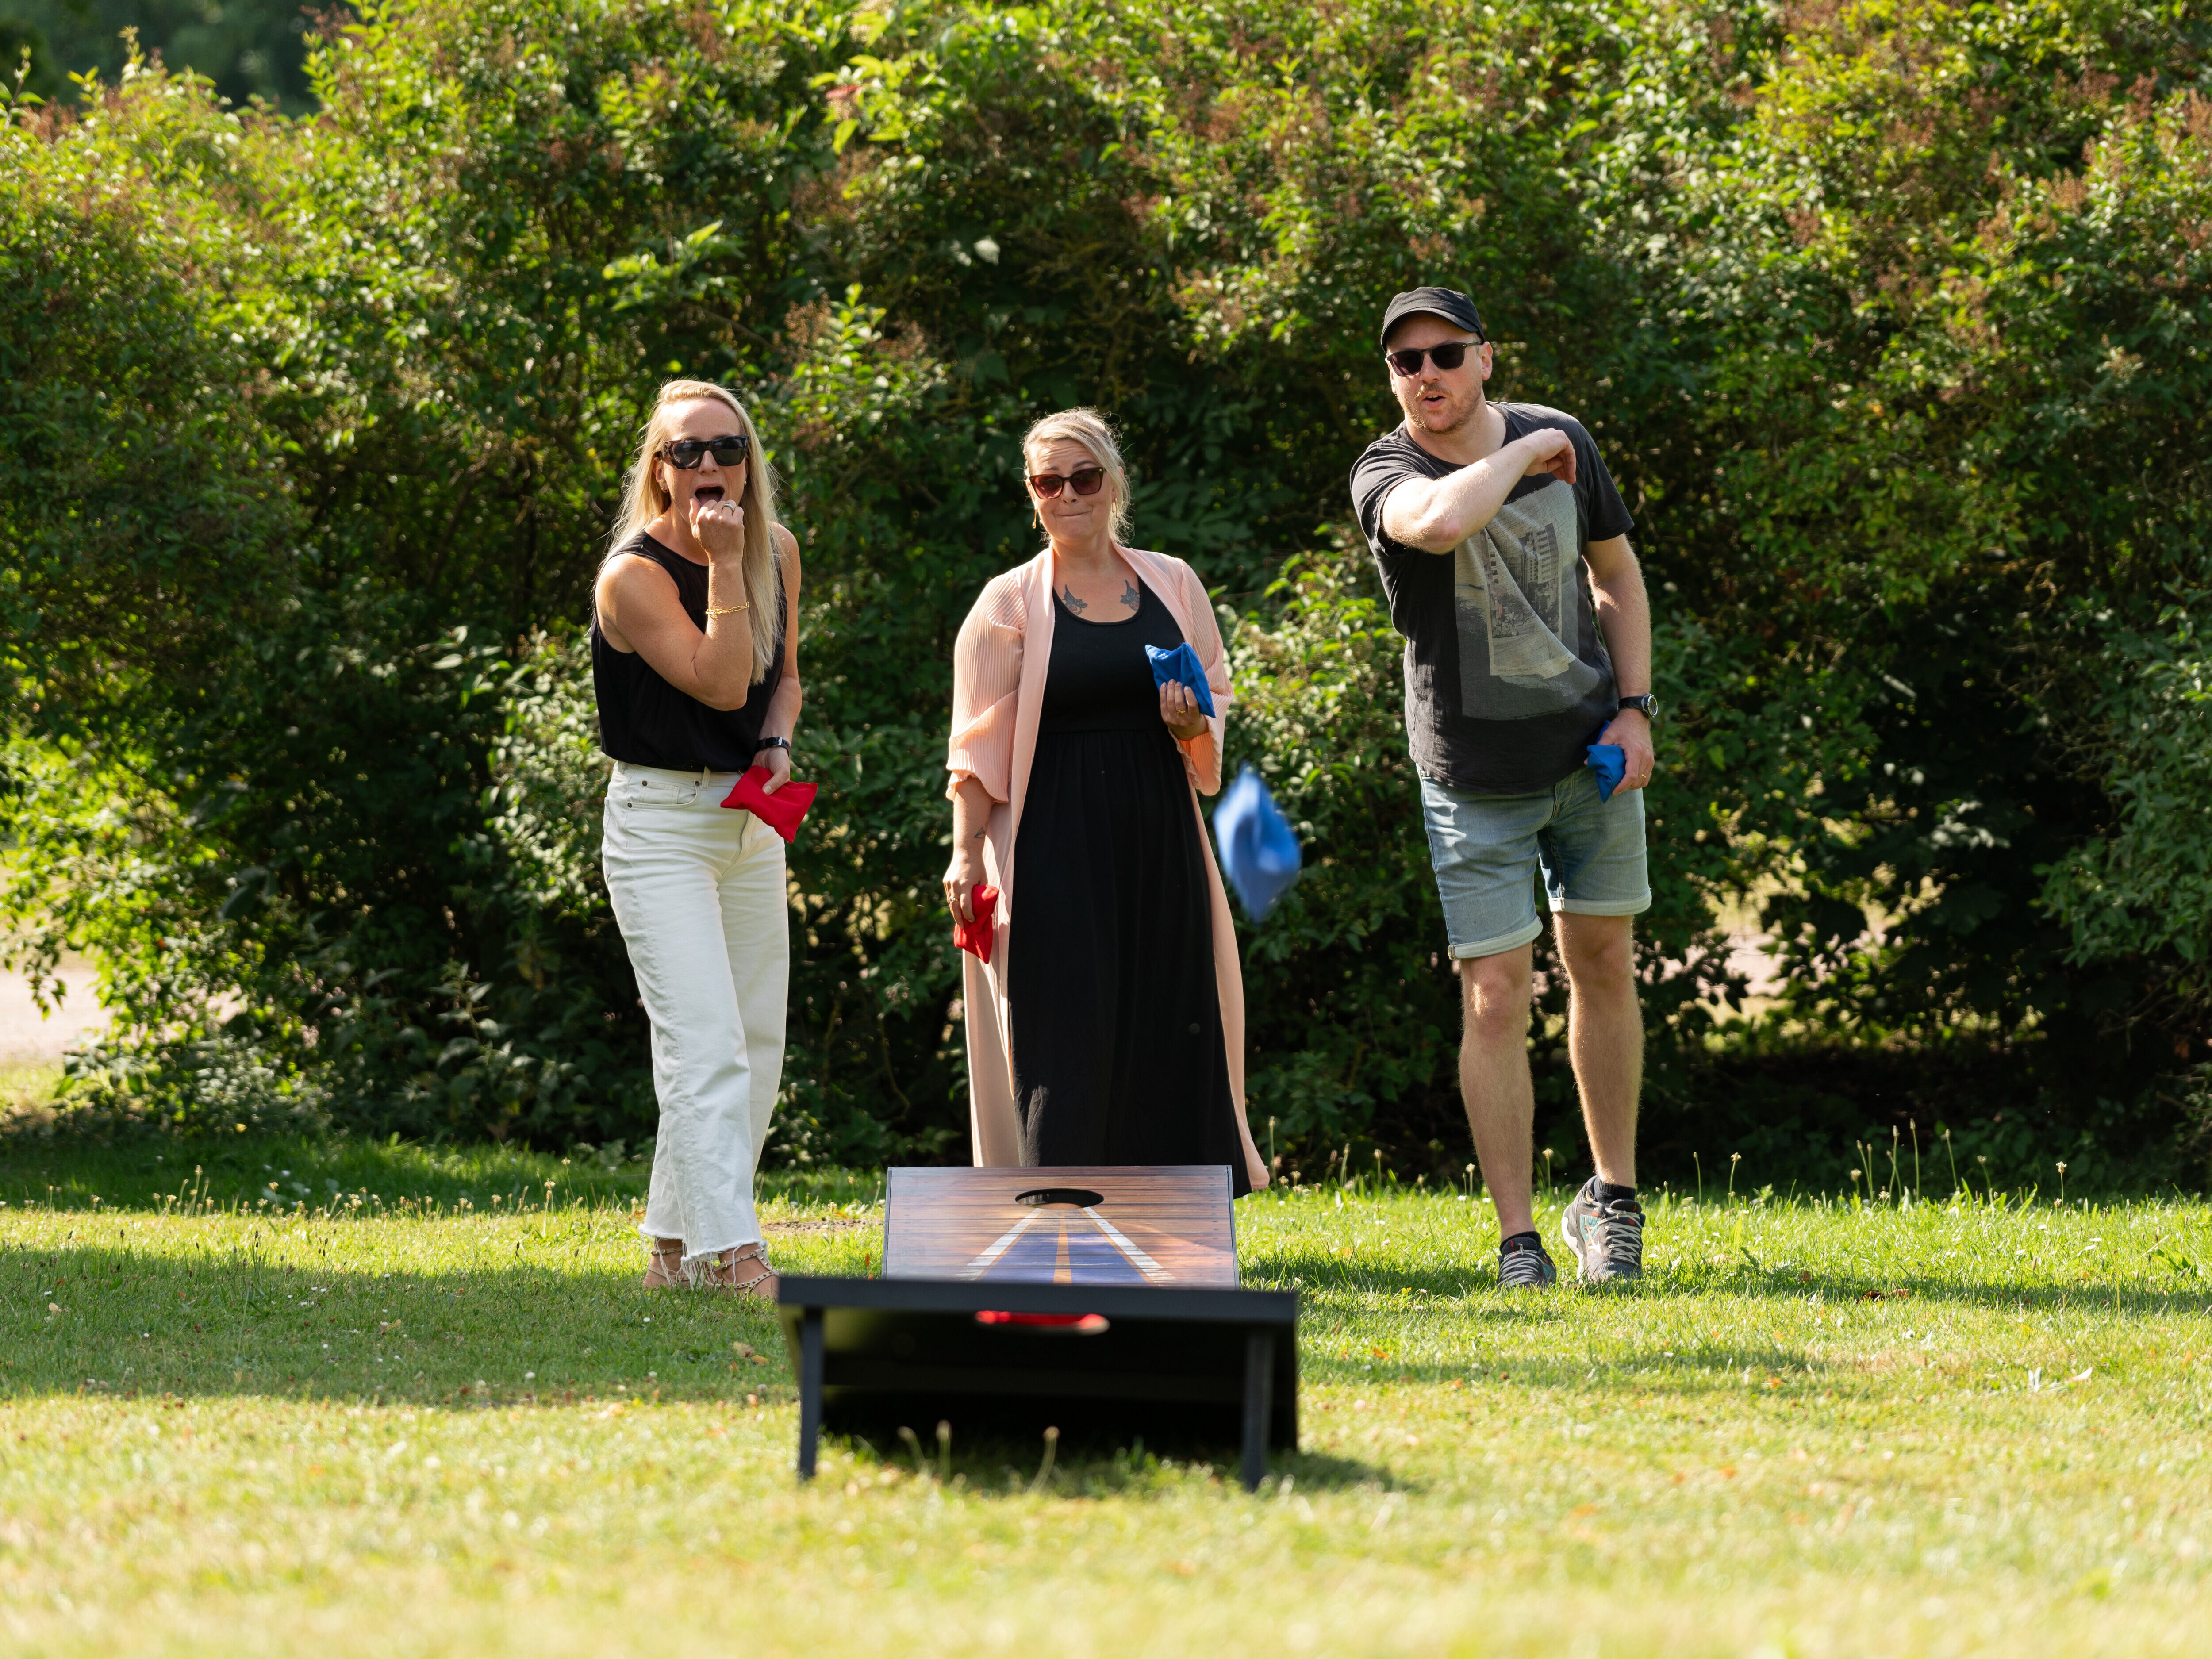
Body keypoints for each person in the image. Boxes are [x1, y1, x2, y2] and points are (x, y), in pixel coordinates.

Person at [1348, 287, 1656, 1287]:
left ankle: (1612, 1207)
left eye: (1444, 355)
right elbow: (1436, 525)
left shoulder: (1564, 436)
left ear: (1485, 358)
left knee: (1604, 963)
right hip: (1472, 776)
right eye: (1406, 363)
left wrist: (1638, 708)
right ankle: (1519, 1241)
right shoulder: (1385, 469)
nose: (1425, 376)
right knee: (1493, 998)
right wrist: (1520, 456)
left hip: (1587, 758)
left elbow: (1617, 572)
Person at [944, 408, 1267, 1195]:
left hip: (1158, 832)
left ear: (1114, 484)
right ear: (1032, 494)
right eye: (1048, 482)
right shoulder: (1006, 604)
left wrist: (1195, 723)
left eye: (1084, 478)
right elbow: (976, 747)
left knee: (1171, 1011)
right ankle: (1059, 1203)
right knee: (1064, 1024)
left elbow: (1214, 693)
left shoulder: (1174, 581)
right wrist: (963, 853)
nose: (1068, 495)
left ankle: (1178, 1207)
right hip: (1050, 841)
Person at [592, 378, 803, 1297]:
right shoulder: (632, 576)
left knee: (755, 1041)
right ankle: (735, 1256)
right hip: (661, 827)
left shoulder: (778, 550)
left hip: (748, 818)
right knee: (703, 1043)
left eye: (728, 448)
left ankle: (672, 1251)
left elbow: (778, 679)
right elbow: (720, 682)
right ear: (660, 470)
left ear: (751, 458)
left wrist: (778, 741)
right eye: (687, 453)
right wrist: (723, 564)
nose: (711, 466)